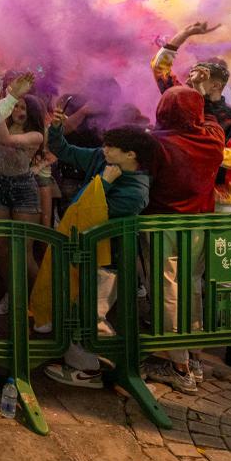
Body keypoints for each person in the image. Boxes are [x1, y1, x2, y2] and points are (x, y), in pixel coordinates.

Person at [41, 117, 154, 389]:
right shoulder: (105, 160)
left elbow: (95, 217)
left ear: (130, 155)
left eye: (111, 147)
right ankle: (107, 361)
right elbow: (65, 150)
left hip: (107, 262)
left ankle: (91, 369)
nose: (104, 149)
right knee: (77, 308)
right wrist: (55, 128)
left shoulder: (136, 190)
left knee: (89, 315)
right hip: (81, 253)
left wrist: (103, 183)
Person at [143, 84, 225, 394]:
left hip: (162, 222)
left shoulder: (156, 143)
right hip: (200, 224)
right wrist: (201, 93)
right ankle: (193, 357)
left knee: (167, 290)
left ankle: (177, 366)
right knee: (192, 288)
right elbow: (213, 119)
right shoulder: (213, 138)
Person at [152, 23, 231, 211]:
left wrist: (190, 149)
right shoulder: (180, 103)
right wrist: (184, 33)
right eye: (191, 75)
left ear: (216, 85)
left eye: (200, 77)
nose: (190, 80)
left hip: (219, 202)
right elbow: (160, 69)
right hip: (178, 197)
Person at [0, 95, 48, 313]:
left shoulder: (36, 135)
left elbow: (6, 140)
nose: (18, 111)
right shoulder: (0, 126)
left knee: (24, 252)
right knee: (0, 248)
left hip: (24, 190)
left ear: (32, 113)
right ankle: (13, 296)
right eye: (15, 106)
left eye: (23, 108)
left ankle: (43, 301)